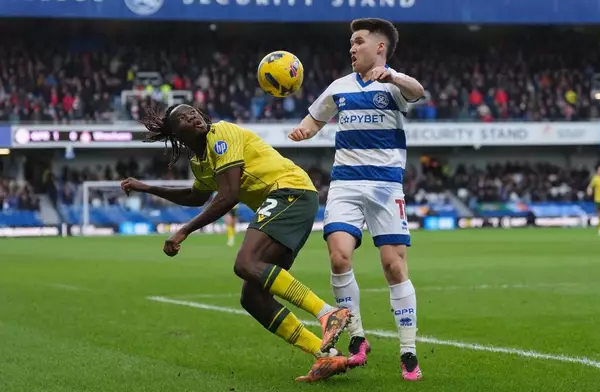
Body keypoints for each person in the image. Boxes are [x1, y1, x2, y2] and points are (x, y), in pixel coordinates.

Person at [120, 104, 352, 382]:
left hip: (289, 190)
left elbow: (229, 194)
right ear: (175, 133)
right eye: (183, 117)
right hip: (288, 200)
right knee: (252, 297)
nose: (192, 115)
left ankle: (327, 312)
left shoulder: (221, 132)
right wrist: (148, 187)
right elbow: (196, 196)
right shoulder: (200, 162)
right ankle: (325, 355)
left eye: (193, 111)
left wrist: (184, 231)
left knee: (245, 263)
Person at [288, 18, 425, 381]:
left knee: (394, 267)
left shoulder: (394, 84)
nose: (352, 48)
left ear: (380, 47)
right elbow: (315, 118)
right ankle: (357, 337)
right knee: (338, 256)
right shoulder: (340, 87)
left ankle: (408, 352)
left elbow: (418, 91)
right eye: (351, 43)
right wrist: (305, 129)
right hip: (345, 183)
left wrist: (393, 76)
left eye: (359, 42)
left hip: (385, 187)